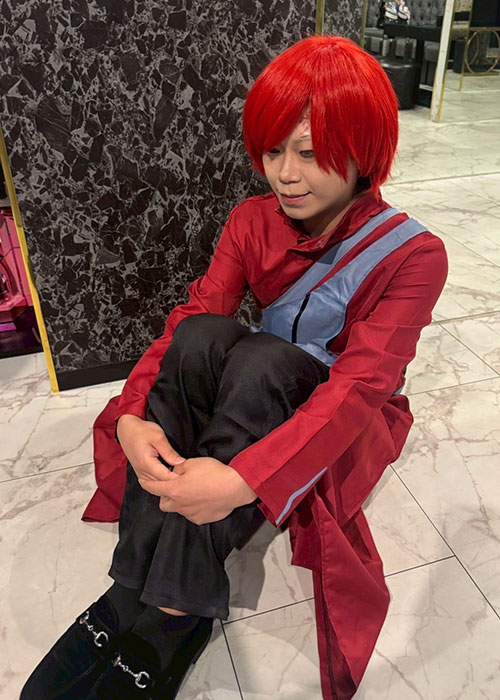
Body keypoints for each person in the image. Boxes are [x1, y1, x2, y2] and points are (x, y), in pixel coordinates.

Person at [21, 35, 448, 700]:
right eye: (274, 150)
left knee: (259, 358)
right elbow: (196, 315)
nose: (285, 174)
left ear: (364, 150)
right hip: (263, 382)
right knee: (203, 337)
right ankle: (135, 583)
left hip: (341, 415)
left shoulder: (414, 256)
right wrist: (132, 416)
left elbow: (362, 386)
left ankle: (170, 614)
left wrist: (245, 480)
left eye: (310, 153)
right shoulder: (253, 219)